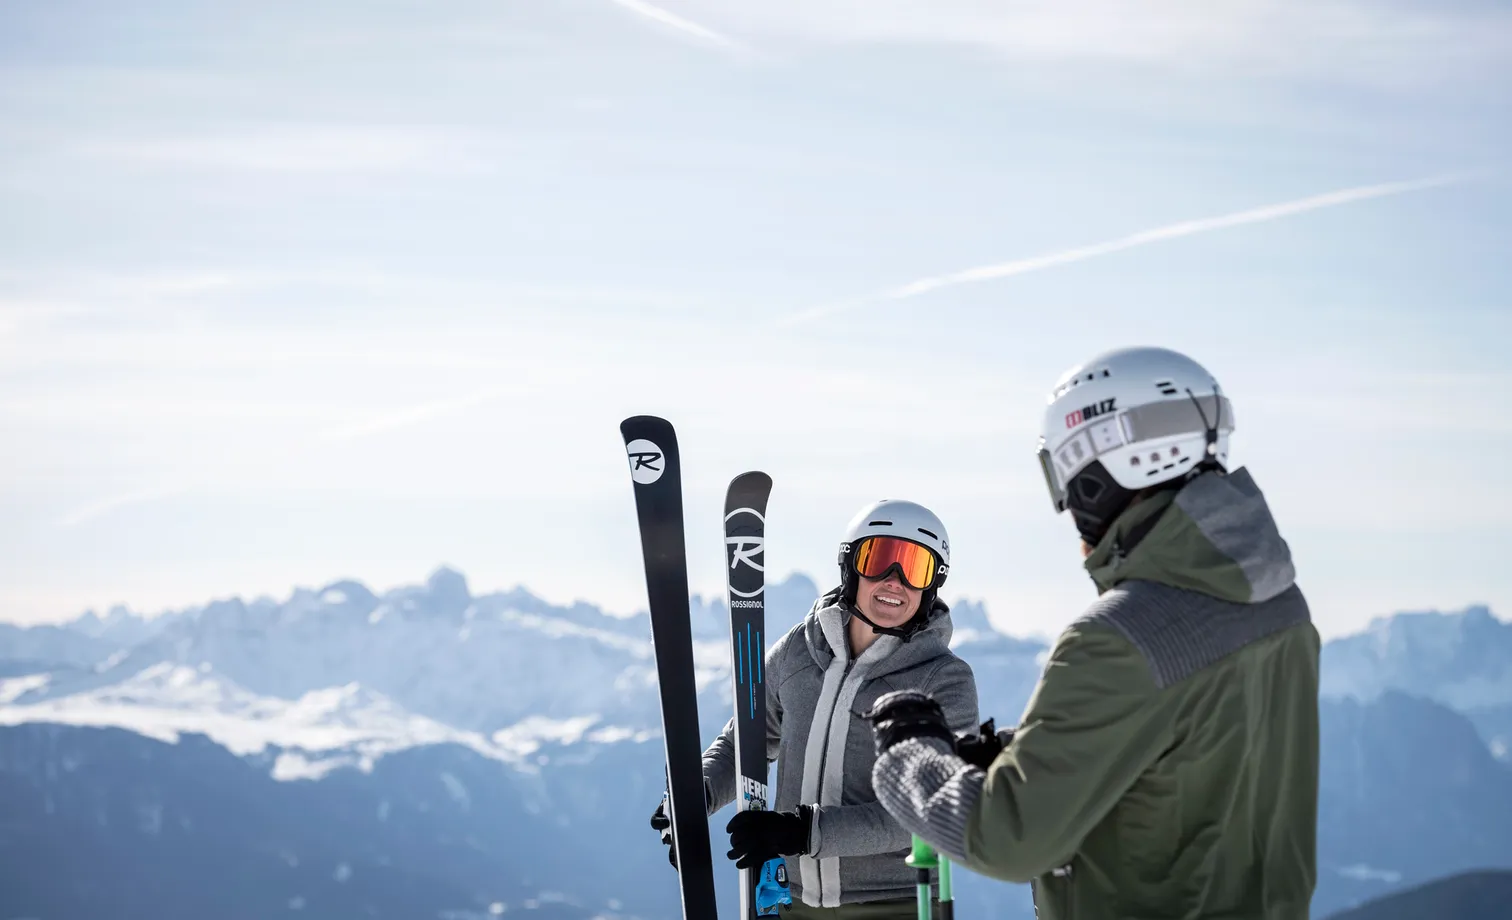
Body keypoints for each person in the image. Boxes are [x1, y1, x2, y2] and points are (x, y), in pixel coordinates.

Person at [863, 346, 1321, 920]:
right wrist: (1026, 756)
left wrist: (912, 755)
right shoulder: (1278, 603)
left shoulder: (1115, 638)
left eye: (1061, 469)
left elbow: (1009, 840)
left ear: (1098, 466)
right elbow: (1195, 755)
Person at [653, 498, 980, 917]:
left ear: (931, 585)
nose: (894, 580)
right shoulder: (798, 652)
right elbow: (745, 741)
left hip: (894, 902)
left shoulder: (944, 679)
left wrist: (804, 832)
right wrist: (694, 795)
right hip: (793, 902)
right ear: (851, 566)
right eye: (879, 558)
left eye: (914, 568)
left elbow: (929, 809)